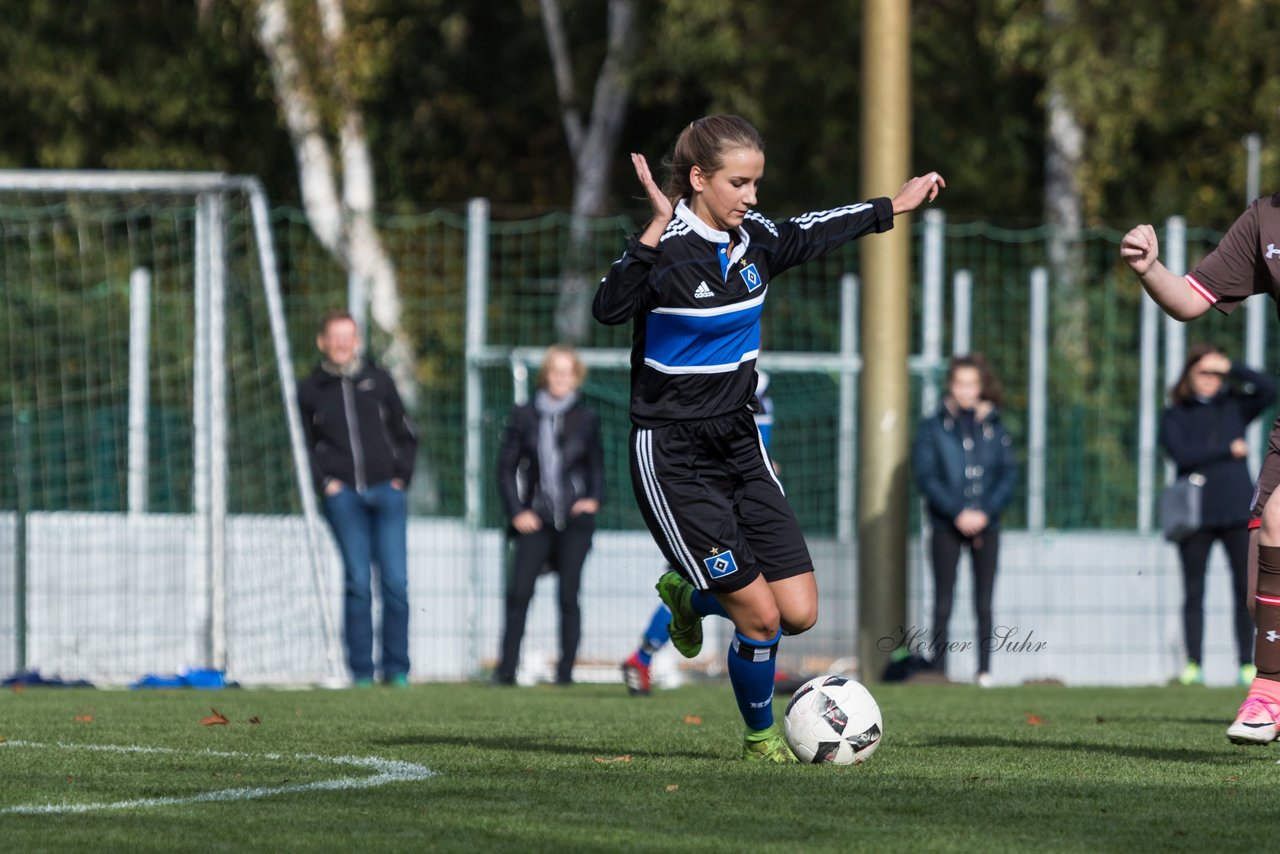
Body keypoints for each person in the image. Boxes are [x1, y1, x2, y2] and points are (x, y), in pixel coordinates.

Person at [593, 114, 944, 761]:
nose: (751, 196)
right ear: (699, 179)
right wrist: (654, 223)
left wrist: (892, 205)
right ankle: (760, 741)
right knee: (759, 616)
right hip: (672, 456)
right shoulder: (667, 250)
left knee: (800, 612)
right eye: (739, 182)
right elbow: (609, 307)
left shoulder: (755, 239)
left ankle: (688, 594)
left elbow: (816, 230)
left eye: (756, 182)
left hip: (740, 444)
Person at [1122, 207, 1280, 743]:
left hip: (1232, 500)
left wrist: (1229, 368)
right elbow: (1191, 298)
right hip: (1202, 513)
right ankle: (1238, 675)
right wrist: (1150, 269)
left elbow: (1259, 386)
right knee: (1253, 589)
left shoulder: (1235, 404)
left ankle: (1266, 692)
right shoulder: (1265, 220)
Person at [621, 370, 776, 696]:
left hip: (731, 500)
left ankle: (644, 656)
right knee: (742, 592)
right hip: (714, 503)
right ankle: (645, 655)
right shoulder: (725, 381)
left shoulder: (753, 385)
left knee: (763, 597)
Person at [297, 311, 417, 687]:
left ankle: (397, 669)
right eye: (335, 337)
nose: (342, 344)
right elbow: (302, 446)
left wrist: (401, 478)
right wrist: (326, 483)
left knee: (395, 582)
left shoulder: (379, 381)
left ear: (358, 342)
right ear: (322, 342)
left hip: (387, 492)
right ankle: (361, 672)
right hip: (343, 495)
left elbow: (407, 433)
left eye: (348, 337)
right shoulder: (310, 389)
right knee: (357, 581)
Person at [1161, 344, 1274, 687]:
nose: (1210, 380)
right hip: (1194, 515)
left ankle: (1246, 662)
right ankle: (1194, 663)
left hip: (1236, 512)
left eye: (1216, 374)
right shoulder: (1175, 414)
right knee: (1194, 590)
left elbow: (1271, 389)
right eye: (1203, 372)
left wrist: (1232, 367)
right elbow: (1180, 454)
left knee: (1246, 589)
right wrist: (1227, 450)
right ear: (1189, 375)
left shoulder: (1234, 406)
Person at [494, 345, 604, 686]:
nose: (560, 378)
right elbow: (506, 467)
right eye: (554, 371)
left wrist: (593, 500)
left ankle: (565, 673)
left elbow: (597, 467)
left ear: (575, 377)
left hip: (574, 522)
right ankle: (506, 671)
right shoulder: (524, 415)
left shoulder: (586, 419)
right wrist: (517, 511)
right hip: (535, 520)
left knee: (568, 595)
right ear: (546, 375)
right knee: (519, 592)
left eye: (566, 372)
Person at [911, 353, 1018, 688]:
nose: (966, 391)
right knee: (943, 600)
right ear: (951, 386)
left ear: (981, 387)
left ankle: (984, 671)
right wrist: (958, 512)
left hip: (989, 526)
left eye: (972, 384)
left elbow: (1008, 474)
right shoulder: (933, 427)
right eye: (960, 384)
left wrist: (984, 512)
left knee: (983, 601)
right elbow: (926, 476)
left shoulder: (995, 427)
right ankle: (938, 671)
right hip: (946, 526)